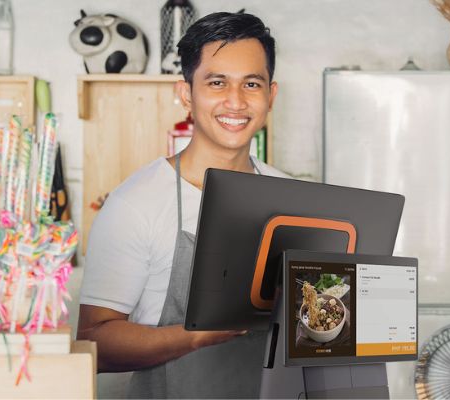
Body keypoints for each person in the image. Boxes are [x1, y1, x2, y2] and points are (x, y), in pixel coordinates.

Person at [77, 11, 288, 399]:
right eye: (217, 82)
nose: (236, 101)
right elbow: (95, 343)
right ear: (186, 93)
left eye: (252, 84)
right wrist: (196, 336)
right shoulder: (135, 204)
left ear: (270, 96)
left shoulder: (292, 198)